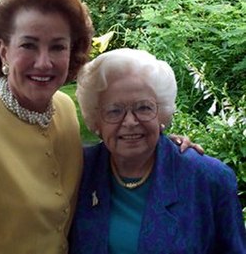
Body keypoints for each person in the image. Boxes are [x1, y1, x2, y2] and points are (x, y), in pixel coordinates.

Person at [0, 0, 203, 254]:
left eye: (57, 46)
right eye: (29, 45)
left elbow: (112, 148)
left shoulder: (64, 109)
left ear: (72, 52)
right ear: (4, 51)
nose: (44, 62)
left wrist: (163, 147)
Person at [69, 48, 246, 254]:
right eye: (114, 110)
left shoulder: (209, 179)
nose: (130, 121)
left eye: (143, 108)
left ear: (161, 114)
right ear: (96, 121)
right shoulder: (78, 170)